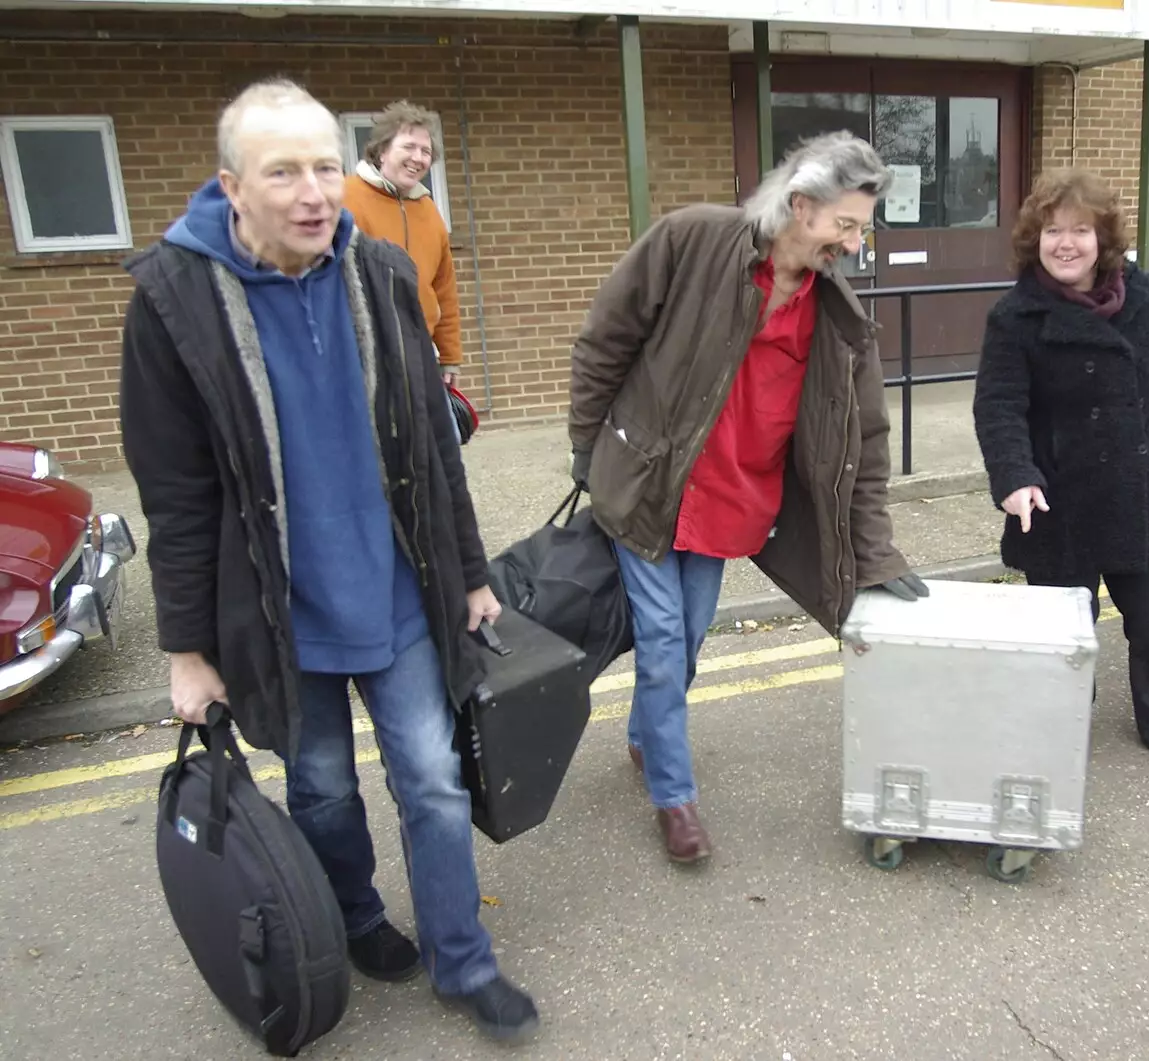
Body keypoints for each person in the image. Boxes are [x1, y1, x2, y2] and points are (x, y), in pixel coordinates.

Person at [117, 78, 539, 1043]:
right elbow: (174, 498)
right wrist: (186, 649)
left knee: (431, 776)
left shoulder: (384, 277)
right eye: (283, 172)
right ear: (233, 186)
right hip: (275, 611)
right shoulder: (174, 301)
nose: (312, 192)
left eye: (320, 165)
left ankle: (463, 958)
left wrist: (471, 570)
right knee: (322, 789)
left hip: (394, 589)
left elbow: (433, 451)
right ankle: (350, 917)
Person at [567, 131, 930, 863]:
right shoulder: (692, 240)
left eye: (861, 230)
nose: (853, 246)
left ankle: (643, 734)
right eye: (845, 226)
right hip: (650, 486)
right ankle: (675, 798)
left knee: (689, 638)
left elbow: (866, 440)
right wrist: (587, 447)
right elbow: (604, 339)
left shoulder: (838, 318)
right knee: (665, 642)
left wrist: (876, 551)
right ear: (801, 206)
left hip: (733, 501)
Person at [972, 168, 1149, 772]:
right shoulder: (1015, 316)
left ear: (1102, 240)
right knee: (1063, 632)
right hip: (1059, 500)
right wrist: (1015, 477)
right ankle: (1063, 716)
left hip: (1143, 490)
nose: (1066, 243)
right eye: (1053, 230)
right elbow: (999, 406)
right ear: (1037, 240)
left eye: (1080, 230)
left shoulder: (1142, 296)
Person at [342, 100, 464, 387]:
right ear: (382, 150)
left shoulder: (429, 210)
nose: (418, 158)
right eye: (408, 147)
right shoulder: (344, 198)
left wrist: (449, 355)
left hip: (421, 356)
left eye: (425, 151)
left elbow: (444, 288)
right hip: (364, 358)